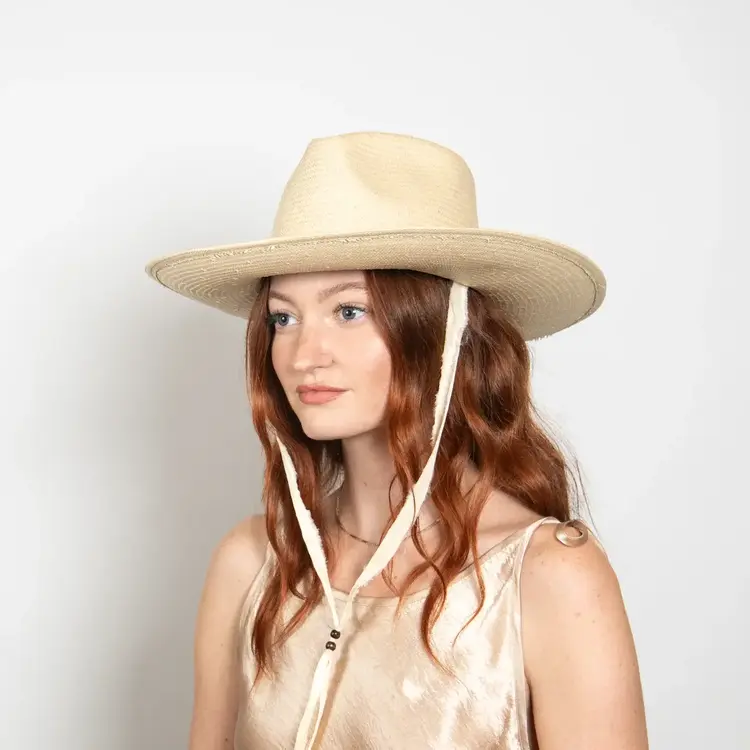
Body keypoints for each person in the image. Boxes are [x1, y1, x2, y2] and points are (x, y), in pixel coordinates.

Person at [146, 131, 649, 749]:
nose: (304, 354)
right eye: (284, 317)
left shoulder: (548, 576)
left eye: (348, 311)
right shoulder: (252, 564)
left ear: (445, 331)